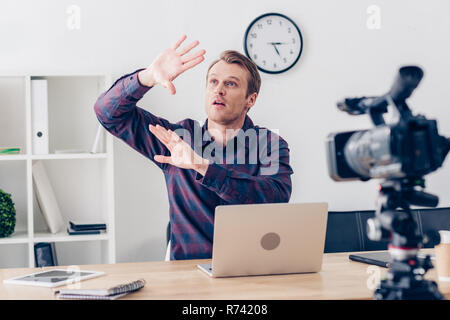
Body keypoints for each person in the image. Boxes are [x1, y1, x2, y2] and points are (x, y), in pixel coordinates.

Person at [94, 35, 294, 260]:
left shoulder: (269, 144)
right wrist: (147, 77)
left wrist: (202, 166)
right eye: (213, 82)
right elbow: (107, 113)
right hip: (187, 272)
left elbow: (275, 198)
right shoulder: (178, 138)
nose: (219, 90)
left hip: (249, 269)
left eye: (231, 84)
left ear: (251, 99)